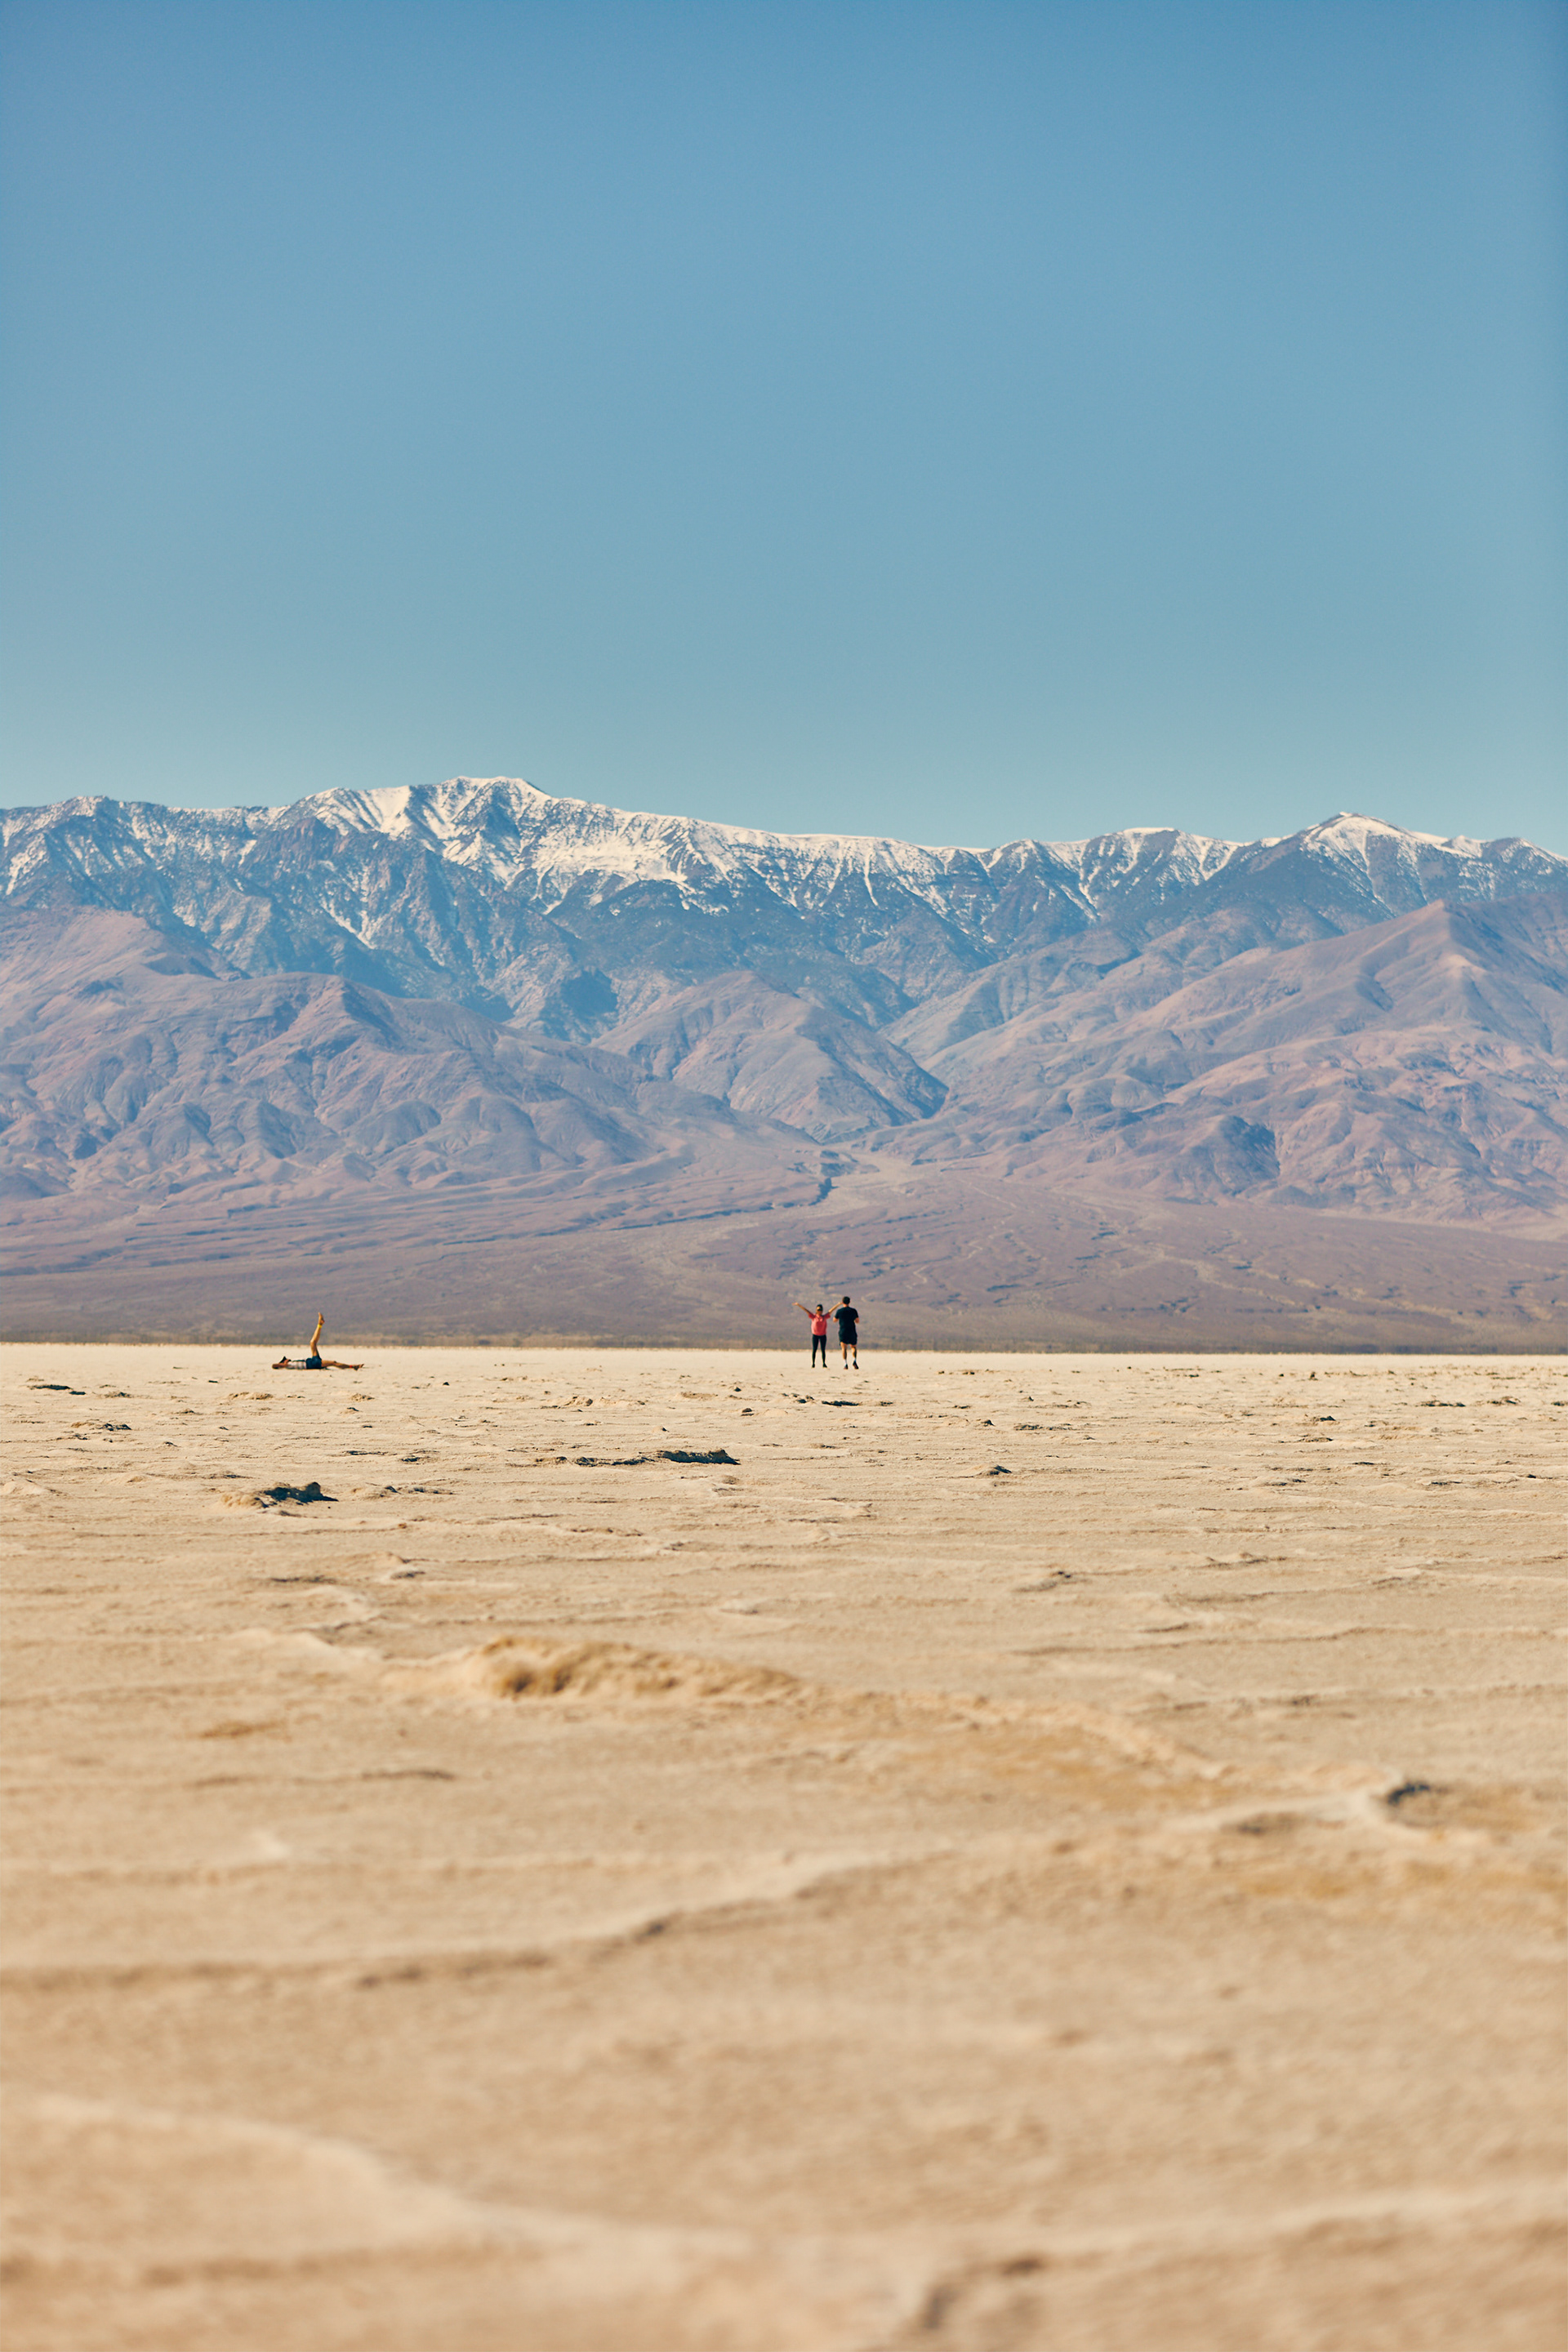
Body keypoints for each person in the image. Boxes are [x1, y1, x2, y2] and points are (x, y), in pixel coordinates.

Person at [273, 1313, 363, 1372]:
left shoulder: (291, 1363)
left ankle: (320, 1324)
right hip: (312, 1364)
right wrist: (284, 1363)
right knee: (333, 1363)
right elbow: (274, 1365)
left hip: (311, 1360)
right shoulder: (288, 1365)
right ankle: (352, 1366)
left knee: (312, 1343)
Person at [793, 1300, 831, 1368]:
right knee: (814, 1349)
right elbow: (806, 1311)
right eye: (818, 1310)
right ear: (816, 1310)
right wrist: (799, 1305)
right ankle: (813, 1363)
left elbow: (831, 1311)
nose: (819, 1311)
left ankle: (824, 1363)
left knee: (823, 1350)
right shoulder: (813, 1316)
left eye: (821, 1310)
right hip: (815, 1335)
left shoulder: (824, 1317)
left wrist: (839, 1304)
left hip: (823, 1335)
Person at [833, 1295, 860, 1370]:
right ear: (849, 1302)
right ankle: (854, 1360)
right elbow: (857, 1321)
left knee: (844, 1347)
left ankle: (845, 1363)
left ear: (842, 1302)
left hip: (843, 1330)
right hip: (851, 1330)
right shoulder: (853, 1311)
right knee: (853, 1347)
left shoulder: (840, 1311)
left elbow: (835, 1320)